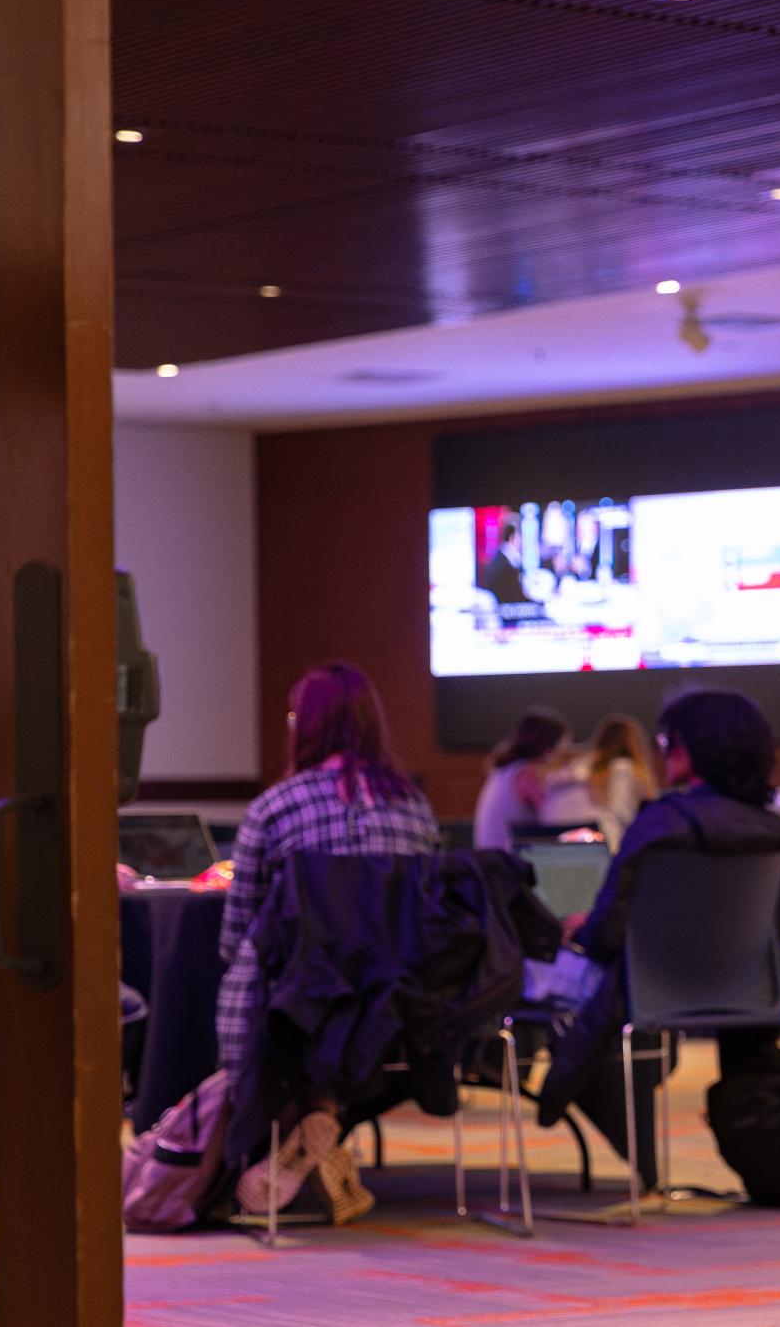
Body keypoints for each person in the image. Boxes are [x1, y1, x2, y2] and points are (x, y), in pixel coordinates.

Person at [536, 689, 780, 1191]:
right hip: (749, 995)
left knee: (532, 969)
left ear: (687, 750)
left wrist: (581, 927)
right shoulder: (777, 831)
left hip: (646, 996)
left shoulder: (660, 823)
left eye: (666, 741)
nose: (661, 752)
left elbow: (607, 932)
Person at [215, 661, 440, 1221]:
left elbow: (236, 934)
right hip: (399, 1006)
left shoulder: (275, 807)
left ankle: (269, 1141)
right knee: (339, 1016)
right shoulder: (416, 808)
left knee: (253, 983)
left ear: (306, 726)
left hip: (301, 1008)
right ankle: (325, 1119)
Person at [537, 712, 661, 850]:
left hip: (550, 849)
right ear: (636, 745)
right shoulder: (623, 771)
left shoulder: (570, 768)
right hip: (600, 851)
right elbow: (625, 816)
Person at [473, 708, 571, 852]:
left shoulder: (505, 769)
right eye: (561, 753)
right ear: (548, 750)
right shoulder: (526, 774)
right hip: (505, 865)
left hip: (490, 862)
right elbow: (554, 818)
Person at [476, 516, 529, 606]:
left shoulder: (509, 558)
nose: (521, 541)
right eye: (520, 536)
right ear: (512, 537)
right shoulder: (501, 562)